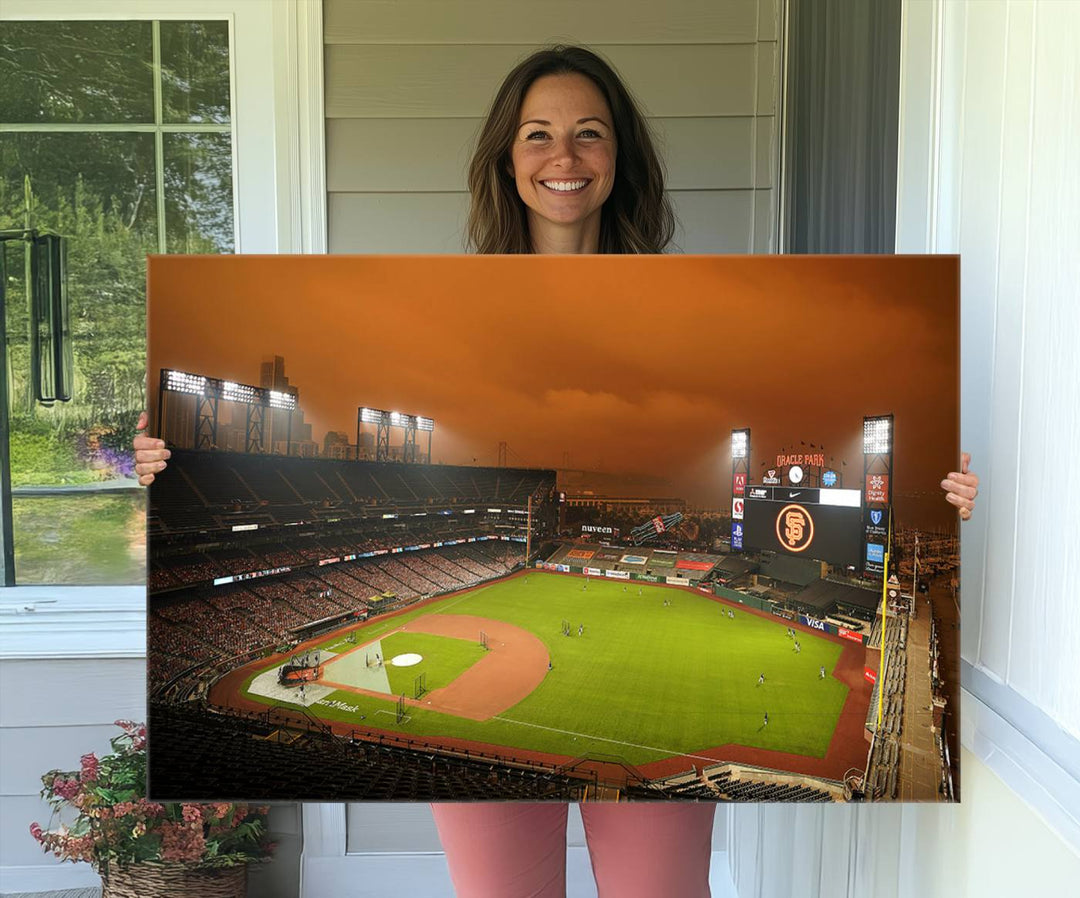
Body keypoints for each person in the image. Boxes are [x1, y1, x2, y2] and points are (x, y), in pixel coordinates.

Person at [132, 42, 980, 898]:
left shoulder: (687, 298)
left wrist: (949, 495)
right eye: (537, 134)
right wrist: (159, 464)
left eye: (589, 134)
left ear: (621, 158)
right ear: (506, 157)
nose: (563, 158)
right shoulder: (446, 308)